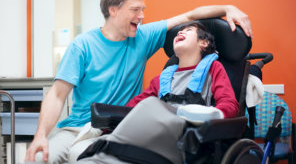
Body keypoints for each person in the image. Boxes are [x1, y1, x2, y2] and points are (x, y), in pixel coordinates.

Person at [25, 0, 252, 164]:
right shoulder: (82, 45)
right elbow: (56, 95)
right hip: (78, 127)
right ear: (113, 10)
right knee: (36, 159)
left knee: (82, 157)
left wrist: (227, 8)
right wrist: (41, 135)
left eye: (142, 10)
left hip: (118, 126)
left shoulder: (144, 37)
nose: (142, 16)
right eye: (135, 10)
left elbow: (192, 15)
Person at [74, 22, 239, 164]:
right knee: (142, 109)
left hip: (186, 140)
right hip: (154, 136)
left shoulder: (213, 69)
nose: (181, 32)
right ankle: (103, 150)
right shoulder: (162, 79)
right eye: (180, 31)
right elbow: (135, 106)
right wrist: (108, 122)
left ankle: (104, 152)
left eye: (188, 30)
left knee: (151, 105)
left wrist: (206, 115)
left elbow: (230, 105)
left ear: (203, 43)